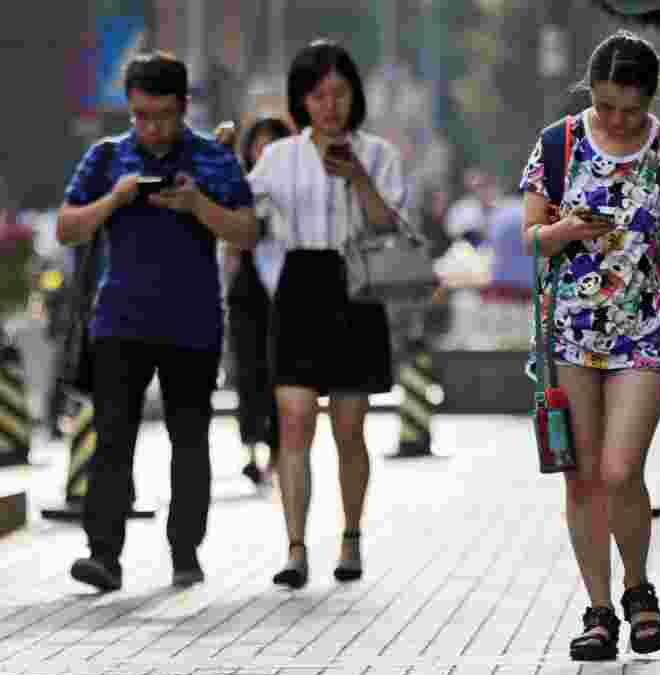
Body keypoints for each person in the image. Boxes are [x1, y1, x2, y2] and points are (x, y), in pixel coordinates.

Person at [519, 31, 660, 661]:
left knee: (620, 470)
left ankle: (640, 589)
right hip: (568, 331)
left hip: (644, 326)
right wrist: (563, 230)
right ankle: (601, 610)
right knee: (581, 477)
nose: (615, 119)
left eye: (629, 109)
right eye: (605, 105)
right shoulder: (558, 143)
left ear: (650, 100)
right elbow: (531, 237)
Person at [56, 52, 259, 591]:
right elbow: (66, 227)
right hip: (119, 321)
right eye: (140, 115)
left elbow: (247, 231)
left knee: (189, 442)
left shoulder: (213, 160)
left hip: (193, 325)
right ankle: (104, 555)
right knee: (113, 440)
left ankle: (185, 552)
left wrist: (198, 206)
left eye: (163, 116)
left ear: (184, 106)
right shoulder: (105, 158)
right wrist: (114, 200)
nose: (151, 128)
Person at [246, 39, 414, 589]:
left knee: (349, 428)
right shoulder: (280, 156)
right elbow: (248, 212)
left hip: (356, 286)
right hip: (299, 285)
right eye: (317, 95)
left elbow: (392, 225)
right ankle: (295, 548)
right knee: (294, 421)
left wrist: (358, 177)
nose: (329, 105)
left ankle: (351, 536)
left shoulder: (380, 153)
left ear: (354, 96)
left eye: (339, 92)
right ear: (301, 100)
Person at [218, 117, 292, 486]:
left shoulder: (297, 188)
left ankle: (279, 452)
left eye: (272, 145)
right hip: (248, 292)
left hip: (286, 291)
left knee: (282, 374)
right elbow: (229, 243)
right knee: (248, 373)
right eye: (258, 145)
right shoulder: (240, 186)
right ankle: (250, 450)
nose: (264, 152)